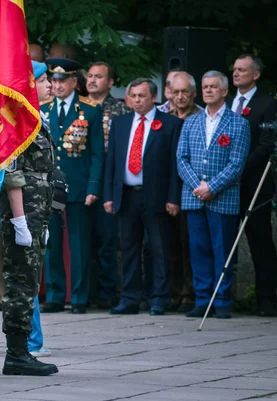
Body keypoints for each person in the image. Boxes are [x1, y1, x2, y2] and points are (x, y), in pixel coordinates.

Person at [103, 78, 183, 316]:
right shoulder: (120, 123)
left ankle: (159, 298)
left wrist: (173, 198)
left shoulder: (169, 124)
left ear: (154, 98)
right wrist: (109, 195)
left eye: (142, 96)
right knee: (128, 249)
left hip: (156, 196)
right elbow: (112, 162)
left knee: (159, 248)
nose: (137, 100)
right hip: (127, 194)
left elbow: (174, 165)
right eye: (133, 96)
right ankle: (129, 298)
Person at [0, 60, 58, 376]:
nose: (49, 84)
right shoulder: (17, 119)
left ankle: (21, 351)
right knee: (21, 280)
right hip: (24, 211)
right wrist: (20, 220)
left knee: (31, 278)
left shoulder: (36, 117)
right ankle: (17, 353)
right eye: (43, 79)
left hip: (39, 209)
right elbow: (13, 171)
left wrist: (42, 222)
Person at [177, 71, 250, 319]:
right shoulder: (191, 122)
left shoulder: (239, 123)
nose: (208, 90)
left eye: (213, 87)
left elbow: (237, 163)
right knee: (198, 250)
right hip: (194, 195)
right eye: (205, 86)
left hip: (223, 197)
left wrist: (212, 187)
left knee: (223, 251)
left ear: (224, 91)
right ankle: (202, 299)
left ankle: (221, 302)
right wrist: (198, 185)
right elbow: (181, 158)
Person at [40, 58, 104, 314]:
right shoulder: (43, 109)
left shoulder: (90, 110)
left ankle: (78, 297)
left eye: (62, 80)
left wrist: (93, 187)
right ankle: (55, 296)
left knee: (78, 244)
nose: (57, 85)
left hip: (78, 186)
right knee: (52, 241)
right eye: (53, 80)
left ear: (73, 82)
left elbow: (98, 153)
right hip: (49, 186)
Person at [227, 55, 277, 317]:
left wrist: (240, 167)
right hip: (225, 185)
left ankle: (266, 299)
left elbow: (268, 143)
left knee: (260, 241)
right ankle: (223, 297)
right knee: (225, 240)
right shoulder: (226, 102)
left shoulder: (267, 103)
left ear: (255, 74)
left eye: (242, 70)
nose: (236, 73)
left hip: (254, 183)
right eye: (234, 69)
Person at [85, 61, 130, 308]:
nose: (92, 80)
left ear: (110, 82)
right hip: (84, 182)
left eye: (99, 76)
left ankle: (108, 294)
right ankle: (85, 294)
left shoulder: (120, 111)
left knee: (107, 242)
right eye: (90, 76)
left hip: (109, 183)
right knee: (84, 243)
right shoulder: (78, 106)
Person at [166, 71, 201, 313]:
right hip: (166, 190)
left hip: (192, 189)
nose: (179, 97)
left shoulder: (201, 117)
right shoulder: (163, 116)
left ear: (193, 94)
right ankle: (174, 292)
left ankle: (191, 293)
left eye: (184, 92)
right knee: (169, 247)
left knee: (190, 245)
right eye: (175, 92)